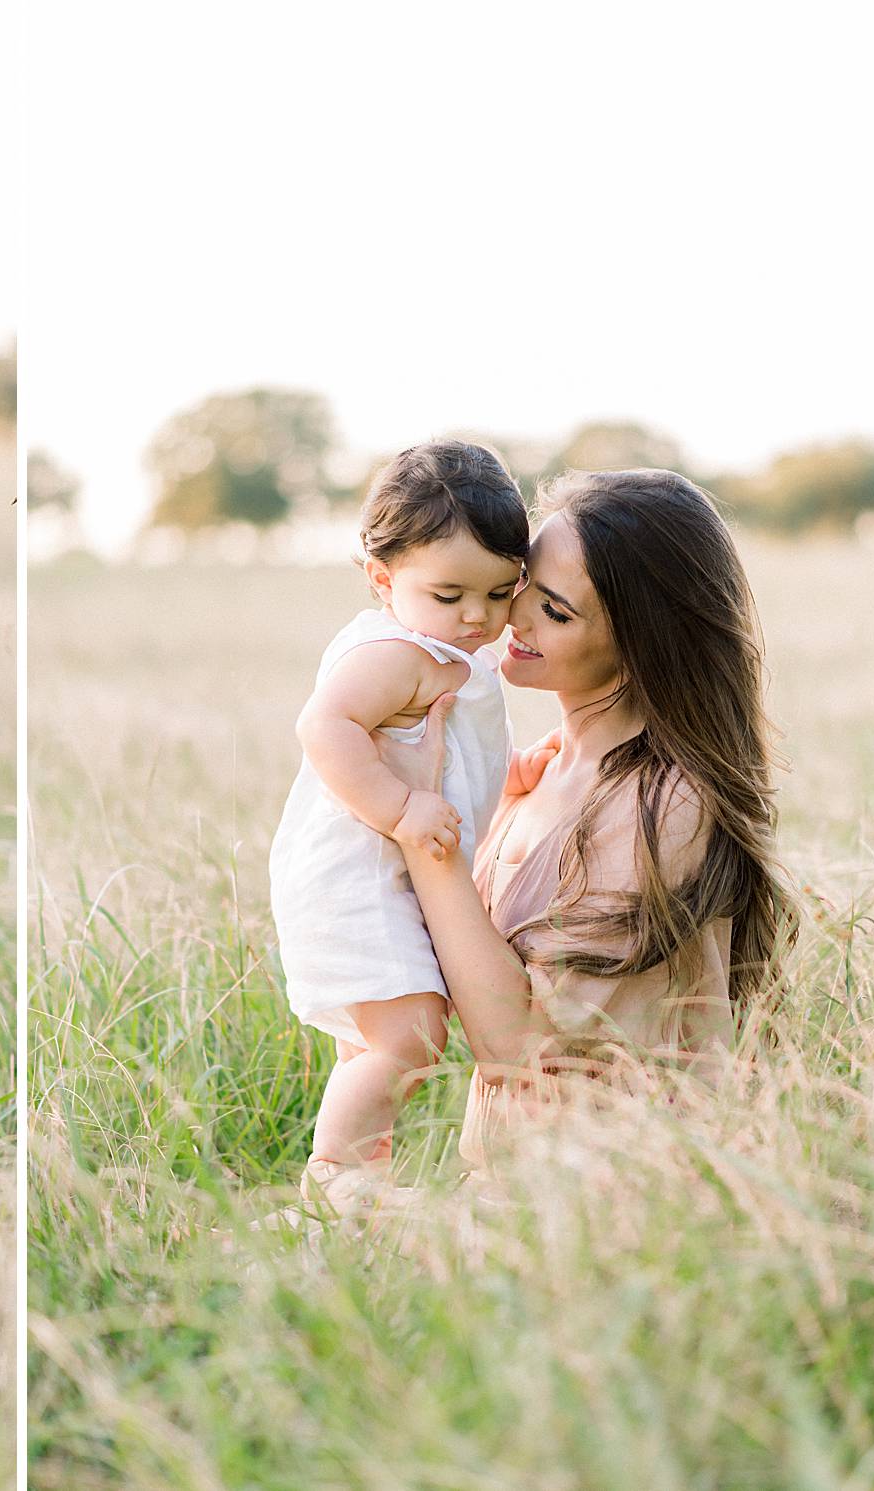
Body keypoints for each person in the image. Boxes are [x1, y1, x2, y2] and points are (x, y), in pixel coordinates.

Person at [377, 468, 793, 1171]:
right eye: (522, 589)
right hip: (518, 1192)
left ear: (639, 646)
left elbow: (520, 1047)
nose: (513, 619)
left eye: (557, 611)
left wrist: (427, 837)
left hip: (621, 1202)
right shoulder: (543, 770)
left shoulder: (664, 804)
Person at [268, 441, 532, 1209]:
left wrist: (512, 772)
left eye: (498, 590)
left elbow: (448, 753)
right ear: (383, 579)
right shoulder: (397, 651)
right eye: (450, 593)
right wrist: (400, 806)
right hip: (351, 875)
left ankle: (361, 1181)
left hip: (388, 876)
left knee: (379, 1039)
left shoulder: (458, 653)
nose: (478, 615)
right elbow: (325, 726)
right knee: (410, 1034)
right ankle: (332, 1175)